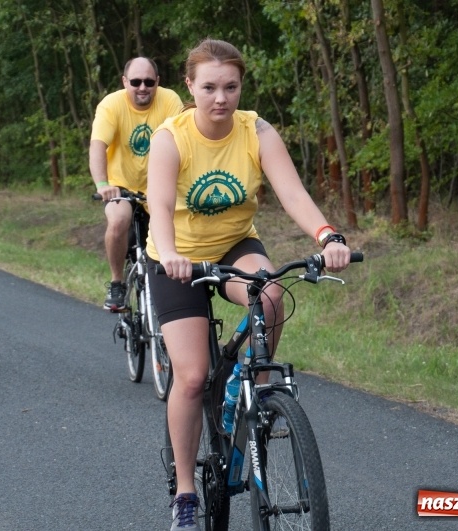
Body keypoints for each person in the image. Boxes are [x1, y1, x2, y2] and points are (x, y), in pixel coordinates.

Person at [145, 39, 353, 530]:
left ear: (241, 86)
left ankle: (255, 392)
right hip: (177, 259)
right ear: (190, 86)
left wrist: (329, 235)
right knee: (193, 377)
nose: (221, 98)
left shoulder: (256, 130)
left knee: (271, 292)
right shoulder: (171, 138)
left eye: (231, 87)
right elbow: (158, 207)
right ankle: (187, 494)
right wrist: (172, 254)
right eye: (210, 87)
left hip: (234, 243)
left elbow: (293, 193)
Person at [89, 56, 182, 310]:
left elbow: (182, 142)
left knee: (180, 227)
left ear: (158, 82)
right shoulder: (111, 105)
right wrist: (102, 184)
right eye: (136, 81)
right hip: (121, 185)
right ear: (124, 82)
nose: (143, 87)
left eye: (149, 82)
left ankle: (175, 289)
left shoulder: (170, 100)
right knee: (119, 219)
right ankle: (117, 283)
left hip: (158, 186)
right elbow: (98, 146)